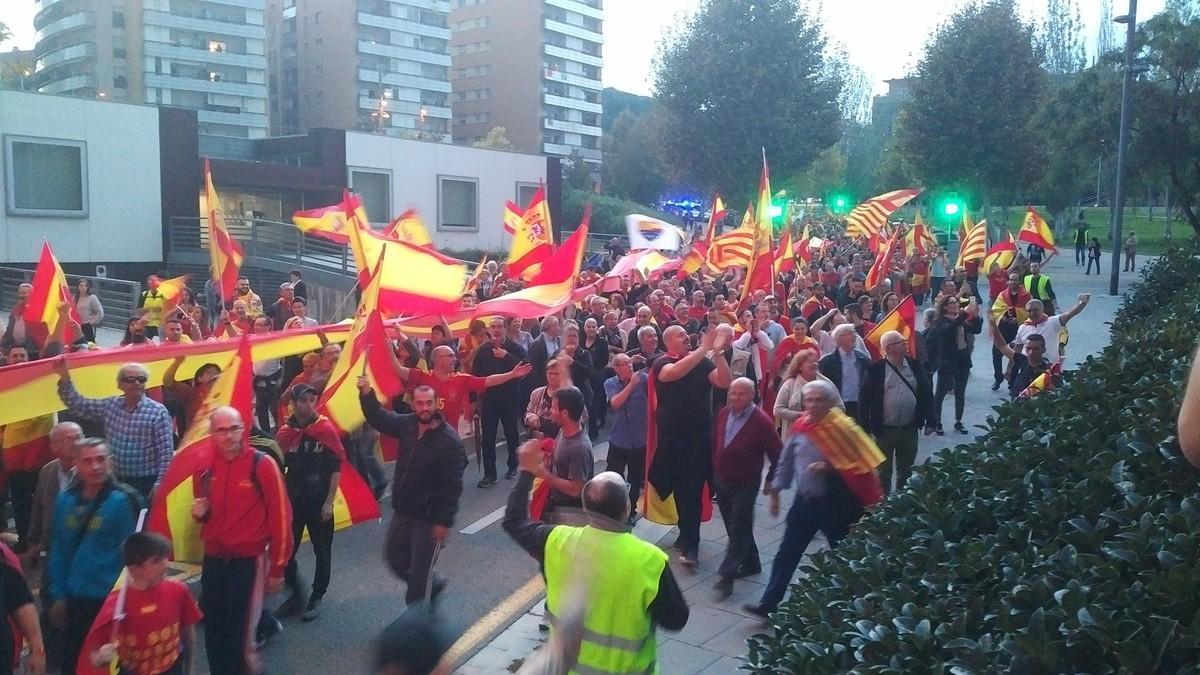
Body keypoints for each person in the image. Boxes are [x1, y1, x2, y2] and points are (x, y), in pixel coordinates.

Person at [503, 466, 688, 674]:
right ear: (626, 508)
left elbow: (514, 521)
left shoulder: (556, 541)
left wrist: (528, 470)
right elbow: (676, 619)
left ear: (586, 507)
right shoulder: (650, 561)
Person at [744, 380, 880, 619]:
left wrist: (829, 467)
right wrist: (776, 490)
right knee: (786, 553)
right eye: (809, 399)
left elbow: (862, 464)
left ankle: (854, 604)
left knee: (842, 554)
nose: (814, 404)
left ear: (829, 402)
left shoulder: (843, 427)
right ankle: (769, 602)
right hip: (804, 502)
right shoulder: (801, 425)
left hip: (835, 505)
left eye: (819, 400)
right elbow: (787, 460)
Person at [190, 406, 292, 675]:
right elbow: (204, 510)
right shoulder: (202, 467)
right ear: (211, 433)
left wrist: (278, 568)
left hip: (248, 562)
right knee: (213, 631)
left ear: (243, 428)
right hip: (213, 559)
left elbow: (281, 516)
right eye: (221, 430)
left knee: (241, 639)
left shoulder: (262, 464)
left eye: (234, 428)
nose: (228, 436)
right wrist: (200, 514)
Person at [359, 382, 467, 606]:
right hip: (403, 510)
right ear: (413, 404)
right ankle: (432, 583)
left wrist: (443, 523)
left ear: (436, 404)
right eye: (420, 403)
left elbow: (452, 487)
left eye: (429, 403)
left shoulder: (450, 442)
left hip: (429, 518)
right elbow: (379, 418)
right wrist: (367, 394)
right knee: (394, 559)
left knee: (419, 573)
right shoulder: (407, 424)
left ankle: (416, 620)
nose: (424, 408)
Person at [47, 439, 140, 675]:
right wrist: (57, 594)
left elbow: (136, 554)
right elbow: (59, 549)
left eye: (100, 459)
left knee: (111, 665)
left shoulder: (126, 500)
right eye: (87, 461)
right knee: (74, 661)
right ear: (76, 464)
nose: (95, 467)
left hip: (110, 601)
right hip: (74, 597)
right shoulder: (65, 500)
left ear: (110, 462)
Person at [650, 326, 731, 567]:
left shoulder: (702, 363)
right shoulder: (660, 363)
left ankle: (691, 544)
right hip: (671, 440)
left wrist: (717, 354)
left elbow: (724, 382)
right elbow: (673, 373)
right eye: (680, 335)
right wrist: (704, 349)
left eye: (686, 335)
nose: (687, 337)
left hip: (697, 439)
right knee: (675, 488)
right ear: (668, 343)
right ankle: (686, 533)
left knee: (692, 490)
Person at [391, 344, 530, 485]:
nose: (455, 359)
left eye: (454, 356)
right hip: (425, 439)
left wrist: (511, 375)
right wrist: (388, 349)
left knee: (454, 467)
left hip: (448, 438)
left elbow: (489, 380)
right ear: (437, 359)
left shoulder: (461, 379)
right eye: (450, 356)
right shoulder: (423, 376)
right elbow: (398, 370)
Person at [54, 360, 174, 502]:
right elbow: (78, 404)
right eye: (130, 379)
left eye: (141, 379)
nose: (136, 383)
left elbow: (166, 453)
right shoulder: (111, 406)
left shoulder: (158, 412)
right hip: (113, 480)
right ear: (120, 385)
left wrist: (160, 484)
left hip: (146, 482)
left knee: (142, 522)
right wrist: (65, 377)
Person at [84, 532, 202, 675]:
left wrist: (189, 669)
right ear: (135, 569)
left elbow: (187, 632)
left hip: (172, 668)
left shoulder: (178, 591)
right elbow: (94, 653)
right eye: (156, 560)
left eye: (165, 557)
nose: (165, 564)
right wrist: (100, 658)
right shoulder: (116, 604)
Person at [275, 384, 344, 622]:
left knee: (322, 551)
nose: (307, 405)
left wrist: (329, 502)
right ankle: (296, 593)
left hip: (319, 502)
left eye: (311, 400)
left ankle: (317, 596)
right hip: (294, 502)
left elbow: (336, 467)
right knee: (285, 552)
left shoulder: (324, 429)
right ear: (293, 403)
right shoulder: (285, 432)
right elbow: (276, 466)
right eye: (302, 400)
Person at [712, 378, 780, 600]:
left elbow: (777, 453)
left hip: (746, 482)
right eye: (732, 393)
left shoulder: (761, 422)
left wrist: (772, 479)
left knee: (739, 525)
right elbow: (717, 442)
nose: (735, 397)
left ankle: (727, 575)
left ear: (752, 395)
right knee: (734, 526)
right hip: (722, 480)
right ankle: (752, 562)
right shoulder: (723, 413)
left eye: (741, 394)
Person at [860, 331, 933, 494]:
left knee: (906, 470)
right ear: (889, 348)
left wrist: (931, 421)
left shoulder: (914, 365)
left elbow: (927, 392)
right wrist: (865, 427)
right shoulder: (875, 369)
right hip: (884, 431)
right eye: (901, 342)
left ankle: (902, 504)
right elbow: (864, 399)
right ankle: (884, 506)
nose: (906, 343)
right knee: (883, 472)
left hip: (909, 429)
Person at [470, 317, 528, 484]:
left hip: (509, 397)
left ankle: (512, 466)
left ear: (506, 329)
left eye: (499, 327)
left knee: (511, 433)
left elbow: (526, 368)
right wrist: (473, 400)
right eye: (493, 326)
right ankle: (490, 473)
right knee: (488, 438)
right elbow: (475, 375)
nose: (496, 330)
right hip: (489, 399)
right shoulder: (483, 350)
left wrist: (506, 356)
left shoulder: (514, 348)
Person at [926, 295, 982, 435]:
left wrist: (976, 316)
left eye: (956, 302)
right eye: (952, 302)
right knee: (941, 392)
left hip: (962, 359)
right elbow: (950, 329)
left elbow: (975, 330)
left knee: (960, 392)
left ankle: (958, 421)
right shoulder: (940, 322)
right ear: (945, 306)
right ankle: (936, 421)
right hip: (947, 360)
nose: (956, 304)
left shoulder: (959, 320)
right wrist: (964, 314)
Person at [604, 354, 648, 524]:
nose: (629, 366)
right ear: (616, 368)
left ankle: (631, 510)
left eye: (630, 363)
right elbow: (615, 403)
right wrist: (631, 385)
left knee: (635, 478)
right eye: (624, 364)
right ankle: (613, 508)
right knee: (614, 476)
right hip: (619, 439)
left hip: (639, 440)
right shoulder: (610, 383)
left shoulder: (643, 379)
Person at [775, 351, 842, 442]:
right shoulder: (789, 384)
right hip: (794, 438)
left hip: (822, 439)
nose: (814, 364)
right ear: (800, 366)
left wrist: (823, 415)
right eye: (810, 362)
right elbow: (778, 410)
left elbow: (840, 407)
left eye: (816, 361)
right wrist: (800, 415)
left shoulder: (826, 384)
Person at [988, 321, 1059, 398]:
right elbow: (1003, 347)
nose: (1031, 352)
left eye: (1036, 349)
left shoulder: (1049, 370)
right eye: (1028, 348)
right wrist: (994, 326)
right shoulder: (1023, 360)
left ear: (1043, 350)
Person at [1014, 294, 1090, 364]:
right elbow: (1017, 350)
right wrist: (1010, 368)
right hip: (1027, 368)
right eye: (1029, 311)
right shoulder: (1022, 328)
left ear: (1042, 310)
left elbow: (1069, 314)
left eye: (1035, 310)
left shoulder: (1052, 322)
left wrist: (1082, 303)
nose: (1032, 313)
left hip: (1049, 368)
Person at [990, 273, 1032, 391]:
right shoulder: (1002, 295)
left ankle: (1012, 381)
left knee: (1016, 356)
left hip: (1017, 329)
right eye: (1011, 280)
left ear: (1019, 282)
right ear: (1008, 281)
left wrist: (1018, 318)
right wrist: (1001, 317)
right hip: (1002, 328)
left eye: (1015, 280)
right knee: (996, 355)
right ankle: (998, 378)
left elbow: (1028, 311)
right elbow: (996, 309)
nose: (1013, 282)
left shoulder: (1026, 295)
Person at [818, 324, 870, 419]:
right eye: (850, 333)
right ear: (839, 339)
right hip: (837, 408)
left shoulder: (863, 359)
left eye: (854, 333)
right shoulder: (827, 362)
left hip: (860, 406)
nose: (854, 336)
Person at [526, 316, 562, 390]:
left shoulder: (559, 341)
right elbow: (534, 368)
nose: (559, 328)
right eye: (557, 325)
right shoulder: (537, 344)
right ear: (550, 327)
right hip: (544, 384)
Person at [74, 280, 103, 344]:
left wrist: (91, 322)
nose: (83, 287)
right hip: (78, 325)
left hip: (87, 325)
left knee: (89, 344)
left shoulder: (92, 298)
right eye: (81, 285)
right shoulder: (75, 298)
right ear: (78, 287)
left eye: (85, 286)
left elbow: (100, 312)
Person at [136, 275, 165, 340]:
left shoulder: (163, 295)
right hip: (147, 324)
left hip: (160, 324)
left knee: (160, 343)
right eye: (152, 282)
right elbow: (139, 310)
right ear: (148, 284)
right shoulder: (144, 294)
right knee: (146, 343)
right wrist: (152, 309)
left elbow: (168, 308)